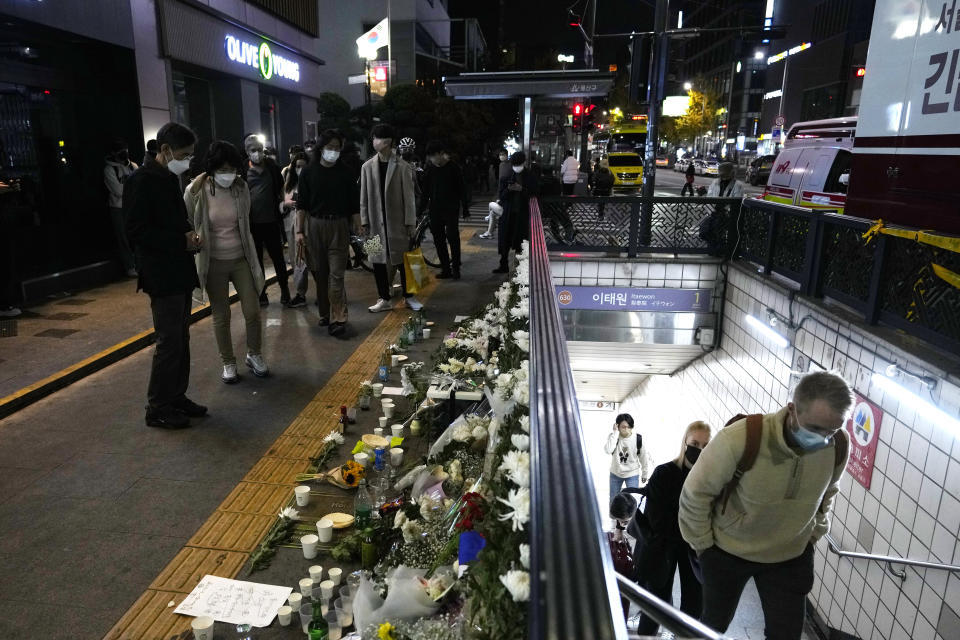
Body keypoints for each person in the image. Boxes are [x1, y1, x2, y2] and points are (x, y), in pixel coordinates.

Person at [678, 371, 853, 640]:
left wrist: (813, 534)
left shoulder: (837, 445)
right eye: (815, 428)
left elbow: (829, 492)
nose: (823, 438)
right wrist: (703, 546)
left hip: (790, 556)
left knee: (786, 634)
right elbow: (695, 494)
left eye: (832, 430)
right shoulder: (741, 439)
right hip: (727, 551)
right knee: (711, 626)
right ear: (792, 410)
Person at [123, 122, 204, 429]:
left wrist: (189, 234)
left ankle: (176, 396)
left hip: (179, 269)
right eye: (184, 154)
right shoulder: (141, 181)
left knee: (180, 338)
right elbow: (136, 231)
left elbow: (175, 220)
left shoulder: (168, 178)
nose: (188, 160)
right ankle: (157, 406)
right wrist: (178, 240)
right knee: (169, 340)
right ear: (165, 150)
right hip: (161, 273)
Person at [184, 140, 267, 383]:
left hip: (241, 258)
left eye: (233, 169)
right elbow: (187, 222)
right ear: (212, 168)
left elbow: (246, 220)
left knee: (252, 311)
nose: (228, 175)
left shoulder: (241, 188)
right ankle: (228, 362)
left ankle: (254, 354)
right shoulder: (195, 191)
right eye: (223, 170)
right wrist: (193, 237)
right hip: (214, 261)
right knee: (222, 315)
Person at [632, 421, 711, 635]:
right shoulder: (664, 473)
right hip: (663, 545)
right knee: (656, 599)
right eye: (695, 443)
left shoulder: (710, 479)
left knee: (694, 600)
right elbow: (656, 518)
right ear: (685, 442)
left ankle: (681, 633)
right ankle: (648, 632)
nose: (699, 450)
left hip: (694, 547)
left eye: (705, 445)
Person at [296, 129, 359, 336]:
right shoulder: (308, 172)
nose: (333, 151)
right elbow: (302, 205)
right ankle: (325, 313)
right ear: (321, 148)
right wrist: (299, 232)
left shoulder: (347, 172)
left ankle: (339, 317)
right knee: (320, 273)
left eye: (337, 148)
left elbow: (353, 205)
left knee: (336, 274)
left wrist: (359, 226)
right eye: (330, 147)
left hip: (339, 226)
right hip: (314, 226)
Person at [359, 124, 422, 312]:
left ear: (387, 141)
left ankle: (410, 297)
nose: (374, 142)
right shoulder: (367, 167)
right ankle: (383, 298)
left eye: (376, 138)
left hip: (398, 222)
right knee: (376, 261)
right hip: (374, 223)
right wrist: (364, 221)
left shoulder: (403, 166)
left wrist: (411, 222)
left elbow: (409, 198)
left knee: (404, 260)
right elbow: (363, 196)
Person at [243, 134, 290, 307]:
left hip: (271, 222)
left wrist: (281, 204)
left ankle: (285, 291)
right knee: (256, 261)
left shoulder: (271, 166)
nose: (257, 153)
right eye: (253, 150)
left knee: (278, 258)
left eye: (259, 149)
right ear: (247, 152)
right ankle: (261, 293)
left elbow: (280, 188)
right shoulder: (243, 170)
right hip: (253, 224)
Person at [420, 140, 469, 279]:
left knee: (453, 237)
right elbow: (425, 192)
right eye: (430, 156)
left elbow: (462, 189)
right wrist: (420, 210)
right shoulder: (430, 169)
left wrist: (465, 208)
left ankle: (456, 269)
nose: (432, 158)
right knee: (438, 240)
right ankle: (446, 268)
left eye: (434, 155)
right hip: (435, 209)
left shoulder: (453, 168)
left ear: (441, 153)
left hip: (451, 209)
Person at [493, 151, 538, 274]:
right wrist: (508, 189)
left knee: (521, 241)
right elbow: (501, 196)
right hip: (508, 213)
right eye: (514, 164)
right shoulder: (507, 175)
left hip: (523, 214)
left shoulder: (530, 176)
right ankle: (503, 265)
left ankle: (520, 269)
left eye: (518, 164)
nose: (516, 166)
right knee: (505, 239)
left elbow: (535, 193)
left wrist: (521, 189)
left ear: (523, 162)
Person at [104, 139, 139, 277]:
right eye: (120, 151)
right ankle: (130, 266)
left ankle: (138, 263)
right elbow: (117, 191)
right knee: (123, 238)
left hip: (133, 206)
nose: (124, 153)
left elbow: (140, 185)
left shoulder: (133, 166)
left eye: (125, 149)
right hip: (118, 208)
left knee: (135, 236)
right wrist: (132, 188)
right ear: (113, 153)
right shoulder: (109, 169)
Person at [281, 152, 309, 309]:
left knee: (314, 262)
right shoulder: (288, 184)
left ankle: (323, 293)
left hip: (309, 227)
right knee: (297, 261)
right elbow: (280, 203)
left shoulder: (312, 182)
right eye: (297, 166)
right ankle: (300, 294)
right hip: (292, 227)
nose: (300, 170)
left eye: (303, 167)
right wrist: (285, 205)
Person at [604, 413, 651, 503]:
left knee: (633, 499)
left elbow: (643, 457)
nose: (626, 430)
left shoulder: (637, 438)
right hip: (615, 473)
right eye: (623, 427)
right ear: (617, 426)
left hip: (632, 474)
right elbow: (608, 450)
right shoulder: (613, 437)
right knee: (613, 499)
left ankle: (632, 517)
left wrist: (645, 473)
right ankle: (614, 517)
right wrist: (615, 433)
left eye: (629, 427)